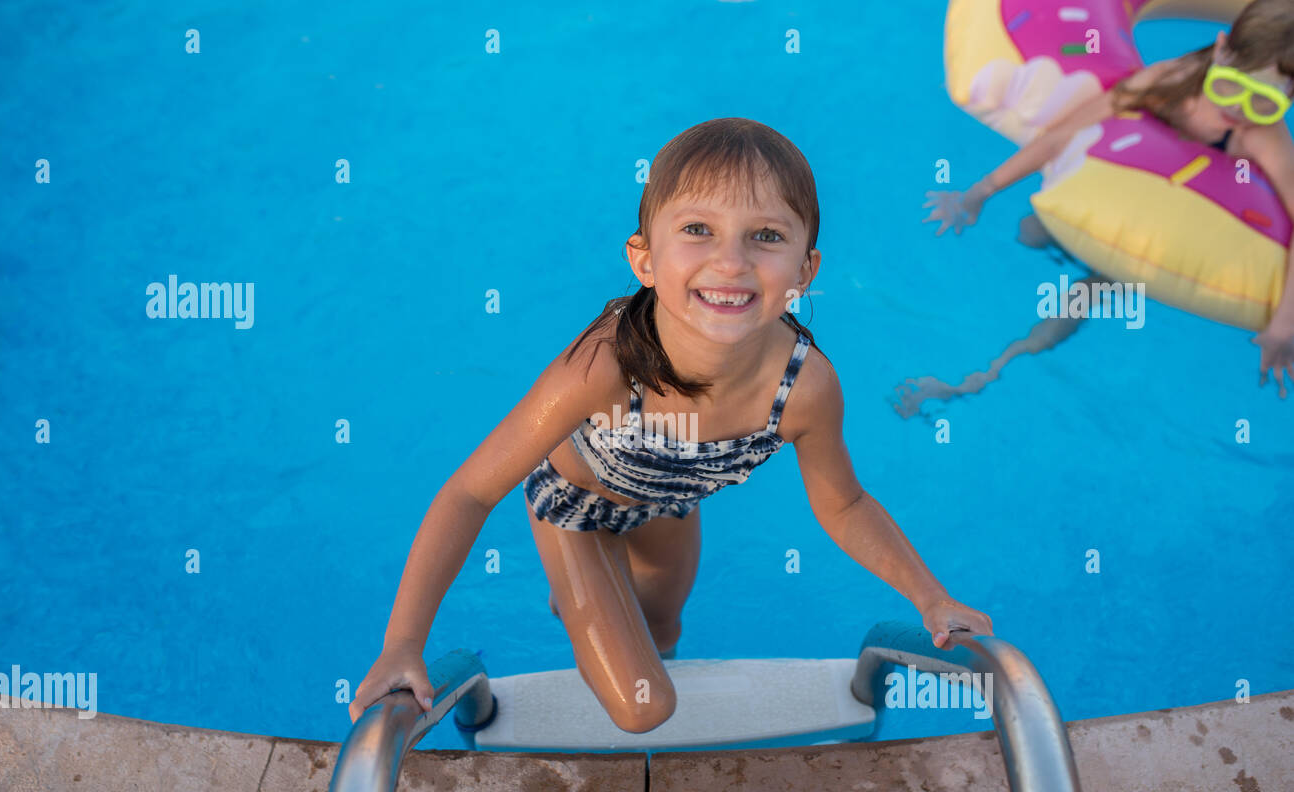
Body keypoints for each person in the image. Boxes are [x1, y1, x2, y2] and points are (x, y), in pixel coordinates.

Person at [349, 118, 994, 733]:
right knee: (644, 707)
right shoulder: (603, 369)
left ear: (806, 270)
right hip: (577, 509)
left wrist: (931, 599)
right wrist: (403, 642)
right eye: (697, 229)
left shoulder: (805, 388)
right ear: (645, 259)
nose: (732, 262)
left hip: (670, 507)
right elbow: (470, 492)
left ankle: (602, 608)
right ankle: (579, 589)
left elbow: (846, 504)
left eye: (765, 236)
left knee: (664, 634)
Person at [902, 0, 1294, 418]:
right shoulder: (1169, 81)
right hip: (1109, 193)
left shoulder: (1262, 139)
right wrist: (979, 191)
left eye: (1265, 103)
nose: (1239, 110)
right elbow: (1065, 134)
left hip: (1153, 238)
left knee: (1076, 302)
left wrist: (1284, 325)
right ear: (1220, 50)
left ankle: (976, 380)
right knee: (1031, 232)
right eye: (1231, 87)